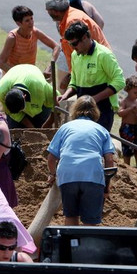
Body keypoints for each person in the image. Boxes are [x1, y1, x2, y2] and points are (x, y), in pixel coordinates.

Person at [47, 96, 115, 226]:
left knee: (71, 216)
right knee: (90, 222)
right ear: (95, 111)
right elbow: (109, 160)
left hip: (68, 176)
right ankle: (87, 245)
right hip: (92, 176)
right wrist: (106, 185)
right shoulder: (101, 130)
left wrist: (52, 174)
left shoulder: (65, 128)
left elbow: (51, 158)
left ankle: (71, 244)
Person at [59, 21, 125, 131]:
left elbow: (120, 81)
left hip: (102, 110)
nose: (73, 48)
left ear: (85, 37)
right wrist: (65, 95)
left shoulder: (103, 55)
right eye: (70, 44)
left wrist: (95, 99)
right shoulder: (75, 55)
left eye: (74, 44)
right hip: (81, 109)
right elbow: (75, 81)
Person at [44, 0, 110, 90]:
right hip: (92, 63)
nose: (47, 13)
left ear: (55, 11)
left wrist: (71, 78)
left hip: (95, 64)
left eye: (48, 11)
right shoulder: (69, 16)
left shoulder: (71, 21)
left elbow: (78, 51)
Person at [0, 5, 59, 73]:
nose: (31, 22)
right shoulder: (12, 37)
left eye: (31, 18)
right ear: (18, 23)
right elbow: (1, 63)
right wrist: (19, 74)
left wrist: (49, 68)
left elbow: (56, 46)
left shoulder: (35, 32)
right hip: (14, 77)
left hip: (30, 74)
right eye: (27, 20)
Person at [0, 64, 58, 128]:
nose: (21, 112)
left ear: (24, 96)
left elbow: (56, 104)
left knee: (43, 125)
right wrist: (30, 127)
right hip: (17, 72)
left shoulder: (40, 88)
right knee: (15, 130)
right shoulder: (2, 93)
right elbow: (14, 114)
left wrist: (47, 124)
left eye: (21, 109)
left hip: (33, 79)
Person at [118, 76, 137, 166]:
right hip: (127, 127)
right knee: (127, 150)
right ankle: (127, 166)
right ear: (128, 90)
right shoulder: (125, 101)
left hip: (136, 127)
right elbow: (120, 113)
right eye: (135, 92)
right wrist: (129, 109)